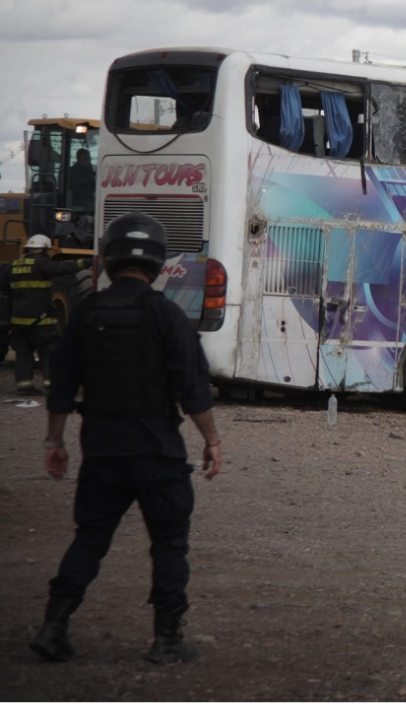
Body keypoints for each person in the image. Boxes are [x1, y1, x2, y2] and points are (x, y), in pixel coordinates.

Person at [29, 212, 222, 665]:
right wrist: (212, 440)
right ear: (156, 260)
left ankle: (53, 626)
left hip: (102, 450)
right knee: (169, 543)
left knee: (90, 537)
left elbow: (60, 384)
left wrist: (53, 442)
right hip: (158, 452)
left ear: (108, 257)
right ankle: (167, 640)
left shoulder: (86, 313)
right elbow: (194, 388)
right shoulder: (168, 315)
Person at [2, 235, 89, 394]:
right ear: (43, 249)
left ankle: (24, 385)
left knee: (23, 353)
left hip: (18, 321)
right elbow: (63, 269)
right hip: (40, 320)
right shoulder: (42, 263)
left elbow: (5, 290)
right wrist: (87, 262)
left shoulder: (13, 266)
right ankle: (51, 384)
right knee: (49, 352)